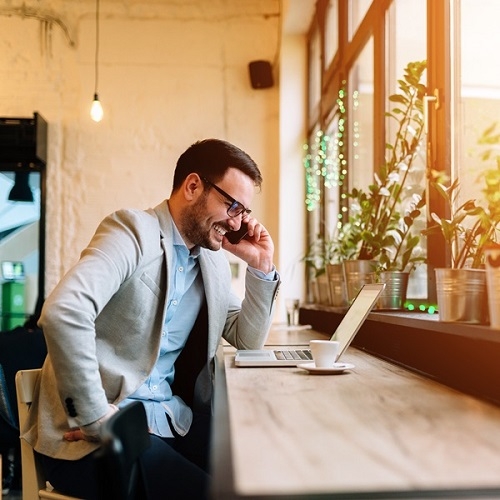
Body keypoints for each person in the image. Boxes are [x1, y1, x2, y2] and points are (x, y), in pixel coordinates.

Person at [21, 139, 280, 499]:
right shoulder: (132, 231)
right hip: (92, 440)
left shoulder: (213, 263)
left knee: (256, 471)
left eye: (243, 212)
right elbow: (65, 311)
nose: (236, 222)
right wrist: (95, 417)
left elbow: (248, 340)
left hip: (171, 422)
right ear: (192, 186)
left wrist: (261, 266)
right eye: (232, 205)